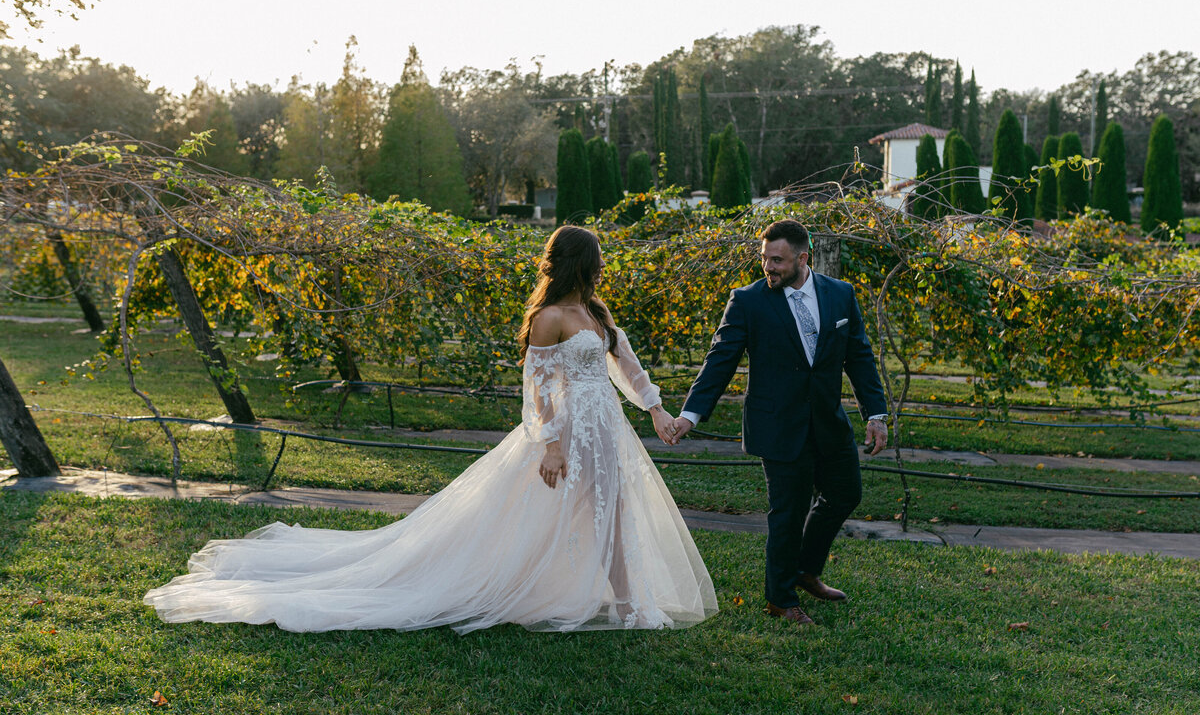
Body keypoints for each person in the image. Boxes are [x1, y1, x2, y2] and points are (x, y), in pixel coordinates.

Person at [144, 225, 717, 633]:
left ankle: (628, 603)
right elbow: (539, 393)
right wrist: (551, 447)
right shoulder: (548, 320)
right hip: (567, 435)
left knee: (612, 509)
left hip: (607, 429)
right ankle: (535, 588)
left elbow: (627, 366)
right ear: (579, 263)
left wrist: (656, 410)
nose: (601, 270)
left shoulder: (599, 312)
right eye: (596, 261)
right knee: (546, 517)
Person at [666, 219, 887, 626]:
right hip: (777, 425)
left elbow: (859, 355)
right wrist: (689, 415)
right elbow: (720, 361)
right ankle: (780, 600)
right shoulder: (747, 301)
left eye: (777, 260)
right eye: (764, 258)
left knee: (845, 493)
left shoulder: (841, 295)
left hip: (828, 422)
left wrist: (875, 413)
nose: (768, 267)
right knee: (787, 512)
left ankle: (805, 571)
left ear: (804, 258)